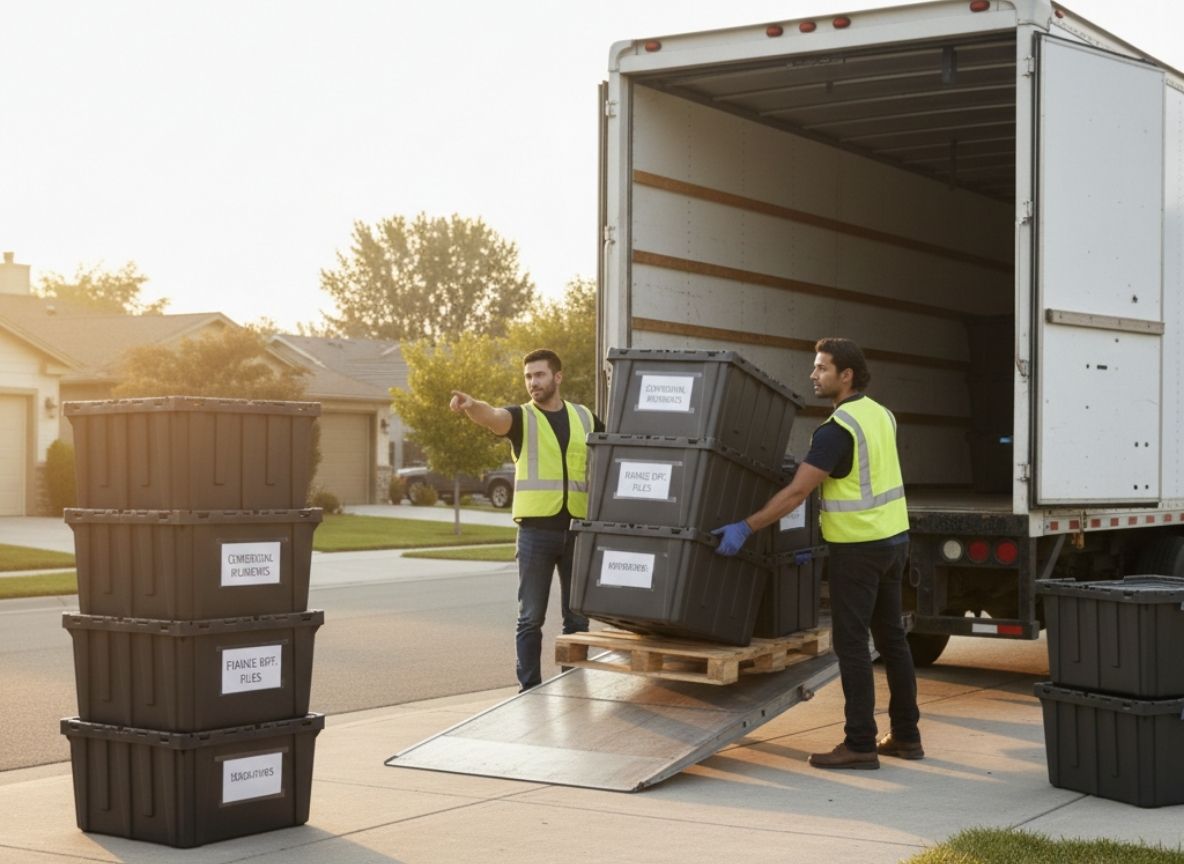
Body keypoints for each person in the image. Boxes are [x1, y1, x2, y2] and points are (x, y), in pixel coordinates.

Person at [712, 337, 921, 770]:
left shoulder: (836, 430)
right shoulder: (881, 414)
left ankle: (860, 744)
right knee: (892, 641)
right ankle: (906, 736)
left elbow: (797, 492)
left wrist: (747, 526)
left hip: (858, 549)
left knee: (852, 645)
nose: (814, 375)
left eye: (822, 368)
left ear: (846, 375)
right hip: (894, 541)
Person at [449, 348, 604, 692]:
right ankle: (529, 689)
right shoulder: (521, 418)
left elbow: (613, 452)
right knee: (531, 617)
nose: (533, 382)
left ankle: (574, 686)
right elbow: (493, 416)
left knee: (577, 619)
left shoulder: (585, 417)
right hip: (536, 534)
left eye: (539, 375)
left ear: (557, 377)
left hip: (577, 532)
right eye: (528, 377)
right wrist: (472, 406)